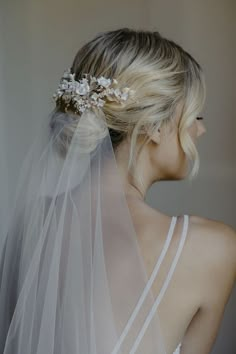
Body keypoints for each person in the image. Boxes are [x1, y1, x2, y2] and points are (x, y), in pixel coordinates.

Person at [0, 27, 235, 354]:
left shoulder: (33, 224)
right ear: (154, 126)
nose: (201, 129)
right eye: (195, 115)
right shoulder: (209, 246)